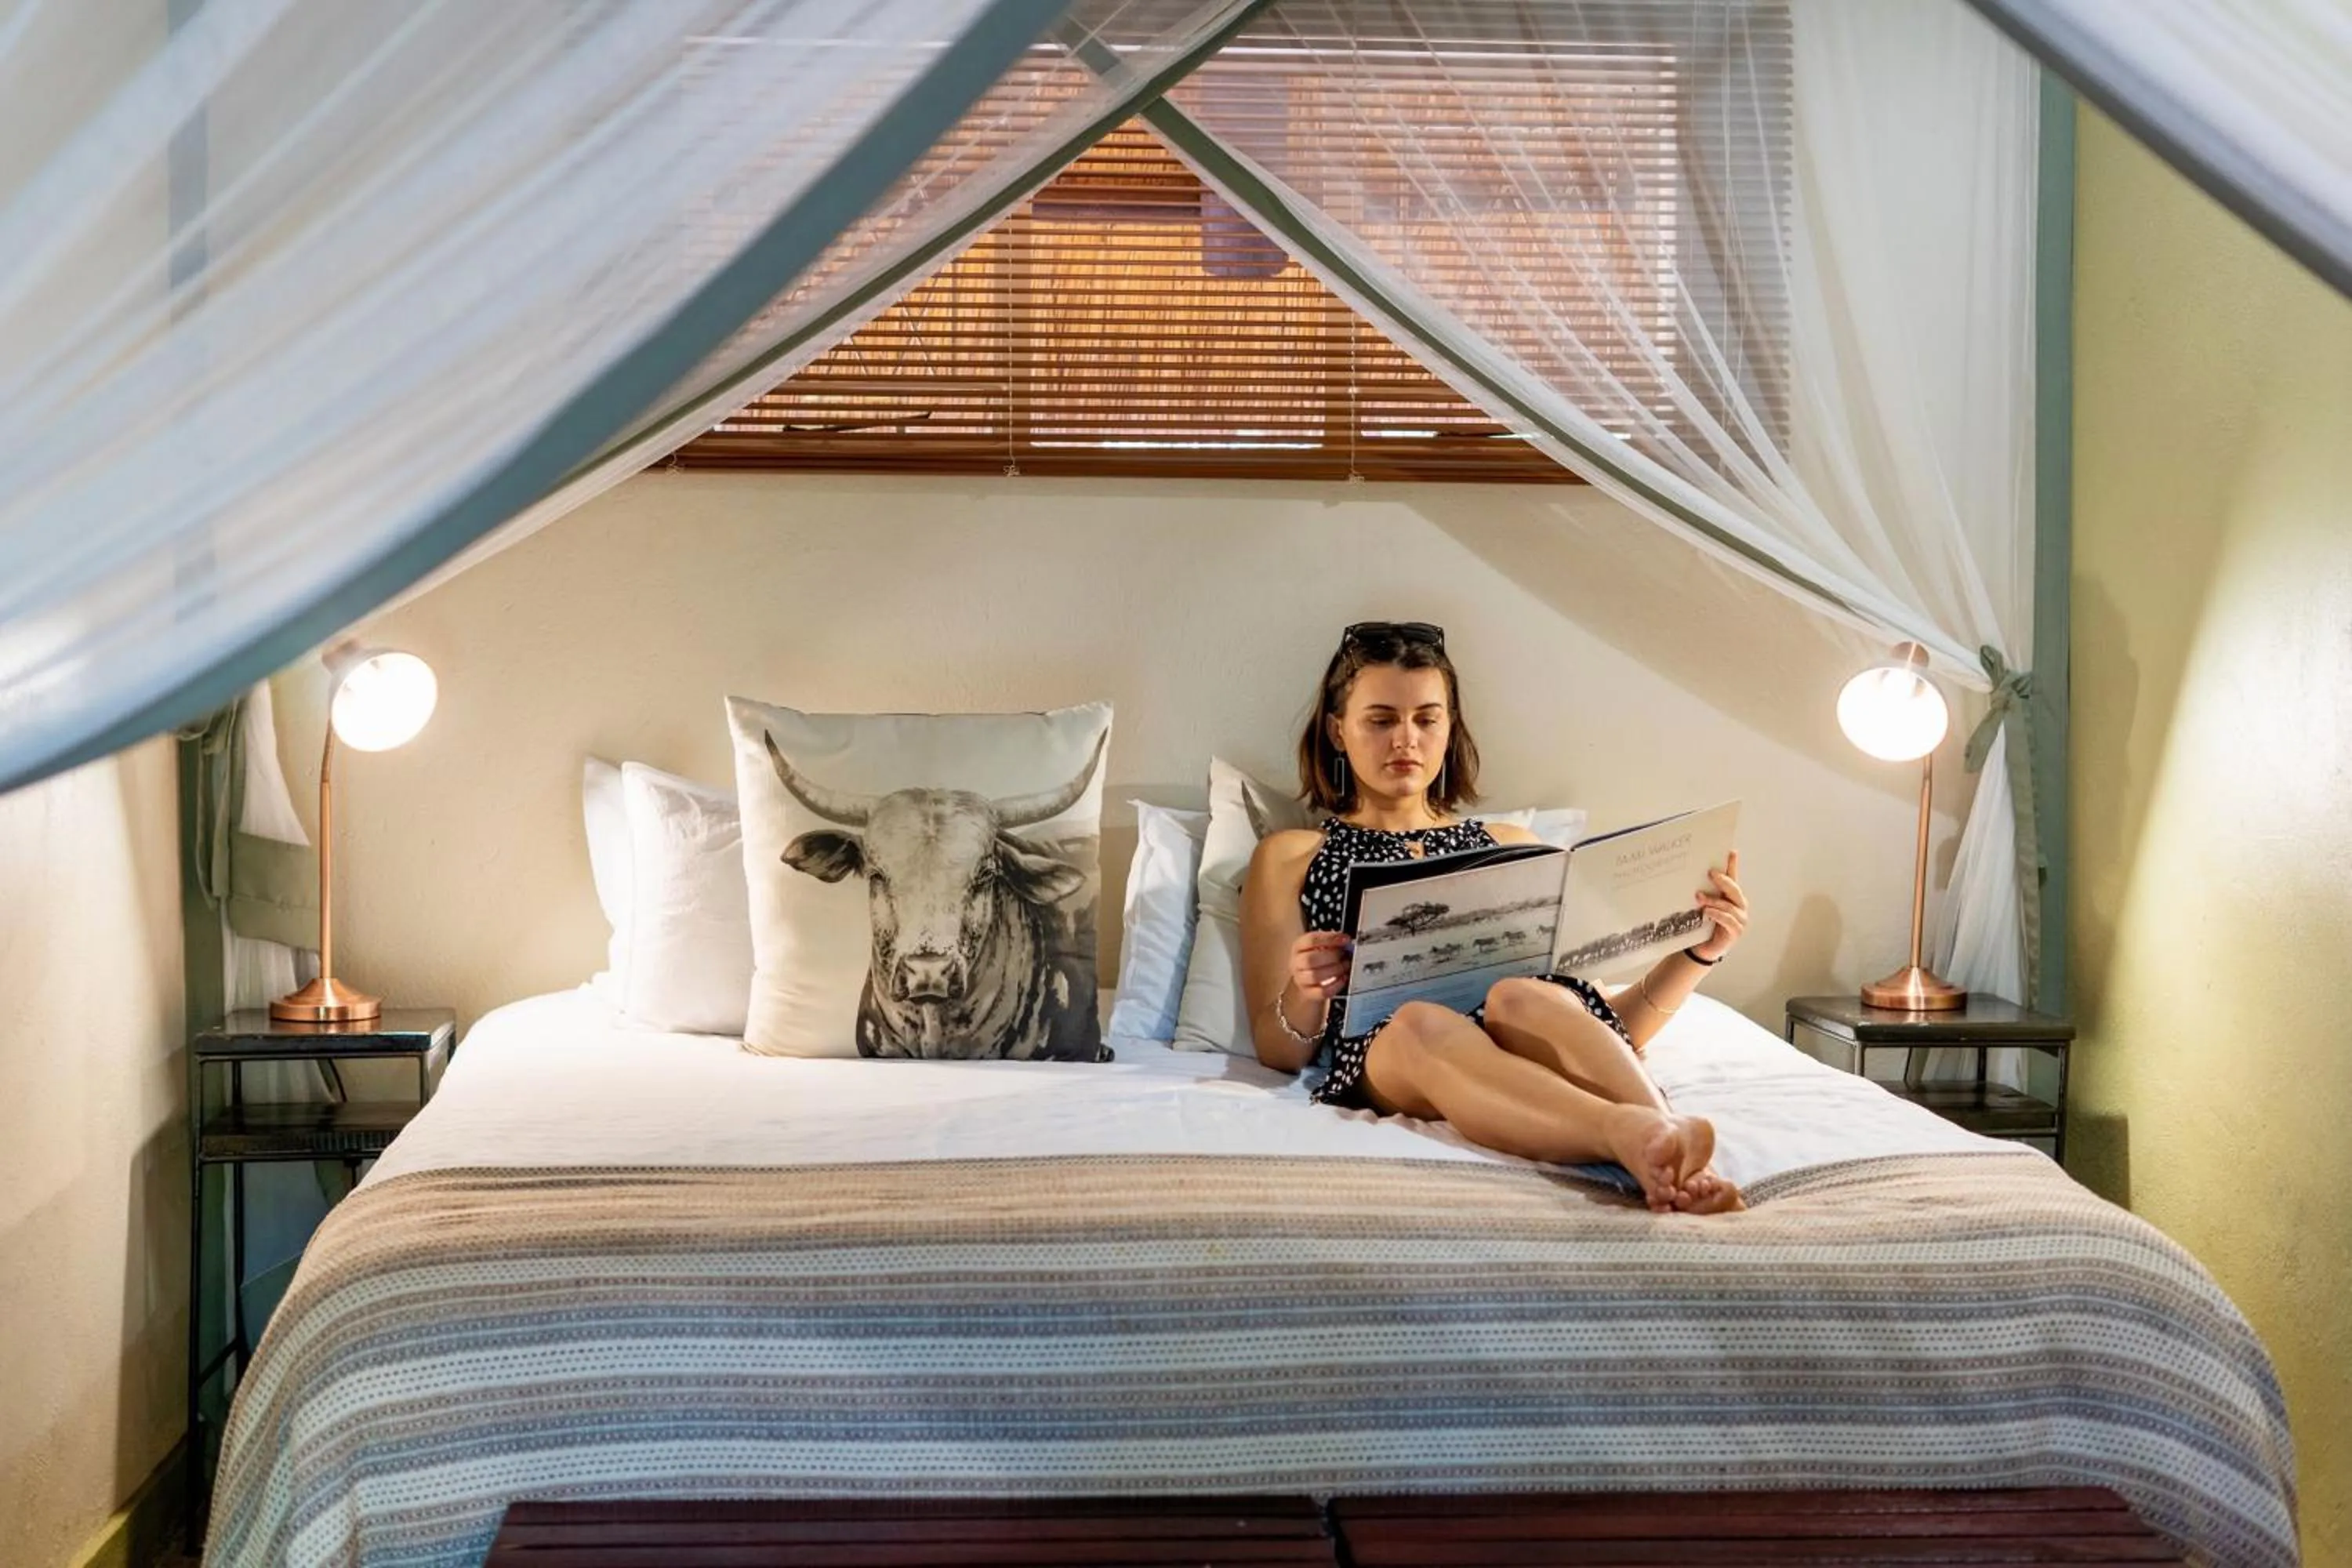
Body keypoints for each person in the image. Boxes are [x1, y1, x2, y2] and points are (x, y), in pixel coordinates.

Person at [1239, 621, 1750, 1214]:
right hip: (1394, 1047)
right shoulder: (1292, 854)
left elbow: (1610, 1028)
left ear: (1448, 727)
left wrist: (1697, 953)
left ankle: (1676, 1151)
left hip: (1524, 1018)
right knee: (1420, 1022)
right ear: (1337, 730)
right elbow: (1277, 1050)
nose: (1406, 739)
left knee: (1525, 996)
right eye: (1381, 720)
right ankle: (1630, 1134)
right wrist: (1309, 990)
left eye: (1427, 719)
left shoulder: (1515, 843)